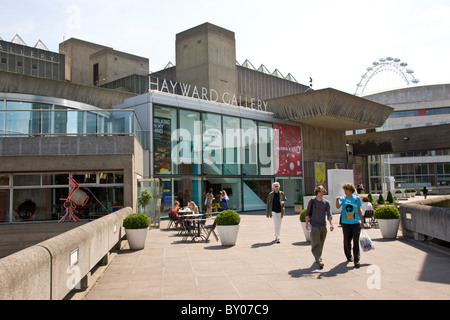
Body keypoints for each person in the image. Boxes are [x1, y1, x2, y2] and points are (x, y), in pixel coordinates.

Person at [336, 183, 364, 268]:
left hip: (356, 223)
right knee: (347, 241)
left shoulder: (357, 199)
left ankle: (357, 260)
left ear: (351, 190)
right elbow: (337, 207)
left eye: (346, 190)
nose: (345, 191)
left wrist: (362, 220)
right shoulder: (343, 199)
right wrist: (337, 200)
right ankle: (349, 256)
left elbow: (359, 210)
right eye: (344, 190)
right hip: (346, 223)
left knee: (356, 242)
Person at [305, 185, 333, 269]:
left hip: (323, 225)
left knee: (321, 243)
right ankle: (319, 259)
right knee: (315, 242)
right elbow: (307, 213)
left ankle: (317, 256)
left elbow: (329, 214)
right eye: (320, 191)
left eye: (323, 192)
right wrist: (307, 224)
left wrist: (331, 224)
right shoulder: (312, 201)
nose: (321, 193)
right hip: (314, 225)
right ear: (316, 192)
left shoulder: (326, 203)